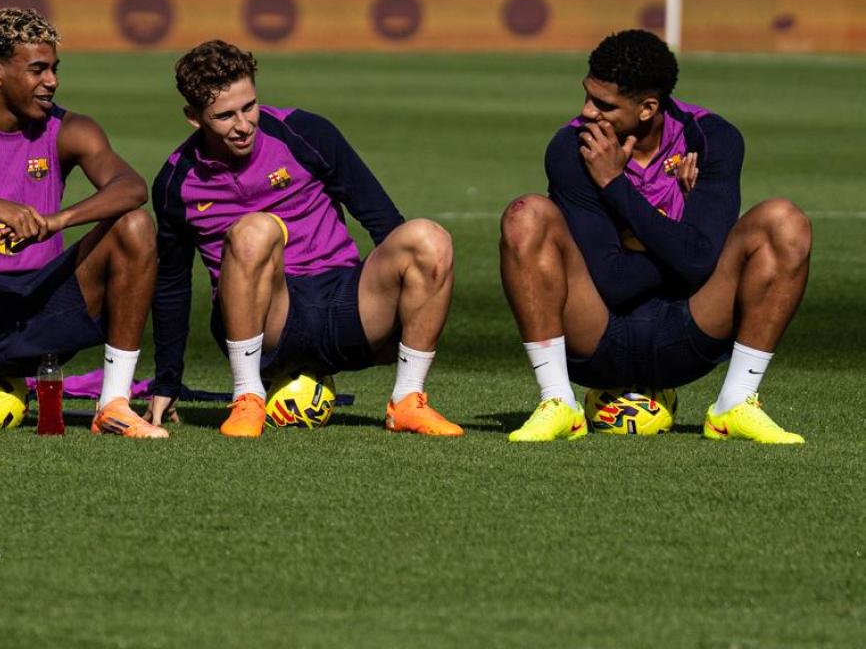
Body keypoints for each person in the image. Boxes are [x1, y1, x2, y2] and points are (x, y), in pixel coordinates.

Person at [501, 29, 811, 444]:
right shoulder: (569, 148)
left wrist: (615, 186)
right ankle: (558, 401)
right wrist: (681, 238)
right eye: (587, 96)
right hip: (597, 336)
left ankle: (734, 403)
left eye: (604, 104)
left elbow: (701, 262)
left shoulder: (713, 139)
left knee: (784, 221)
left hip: (689, 331)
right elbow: (613, 280)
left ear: (648, 107)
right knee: (526, 214)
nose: (586, 112)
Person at [149, 40, 463, 439]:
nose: (243, 125)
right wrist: (167, 380)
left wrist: (410, 310)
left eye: (249, 107)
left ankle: (407, 400)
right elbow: (172, 285)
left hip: (346, 304)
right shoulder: (176, 182)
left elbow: (382, 220)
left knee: (428, 238)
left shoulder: (305, 132)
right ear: (194, 118)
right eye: (225, 116)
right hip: (269, 322)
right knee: (255, 230)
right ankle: (248, 398)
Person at [0, 8, 168, 439]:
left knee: (134, 224)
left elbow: (131, 186)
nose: (52, 81)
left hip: (45, 311)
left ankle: (113, 404)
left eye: (54, 69)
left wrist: (60, 220)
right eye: (37, 69)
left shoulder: (70, 128)